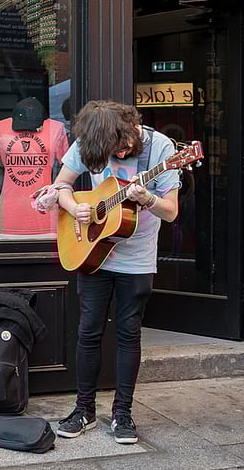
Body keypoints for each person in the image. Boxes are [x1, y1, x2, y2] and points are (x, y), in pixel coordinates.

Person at [49, 100, 182, 445]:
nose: (118, 154)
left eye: (120, 149)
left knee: (128, 333)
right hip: (92, 252)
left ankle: (123, 413)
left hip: (136, 258)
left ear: (127, 133)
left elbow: (171, 212)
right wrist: (73, 206)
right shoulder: (90, 141)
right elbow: (61, 185)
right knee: (88, 331)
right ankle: (84, 410)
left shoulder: (161, 148)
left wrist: (148, 199)